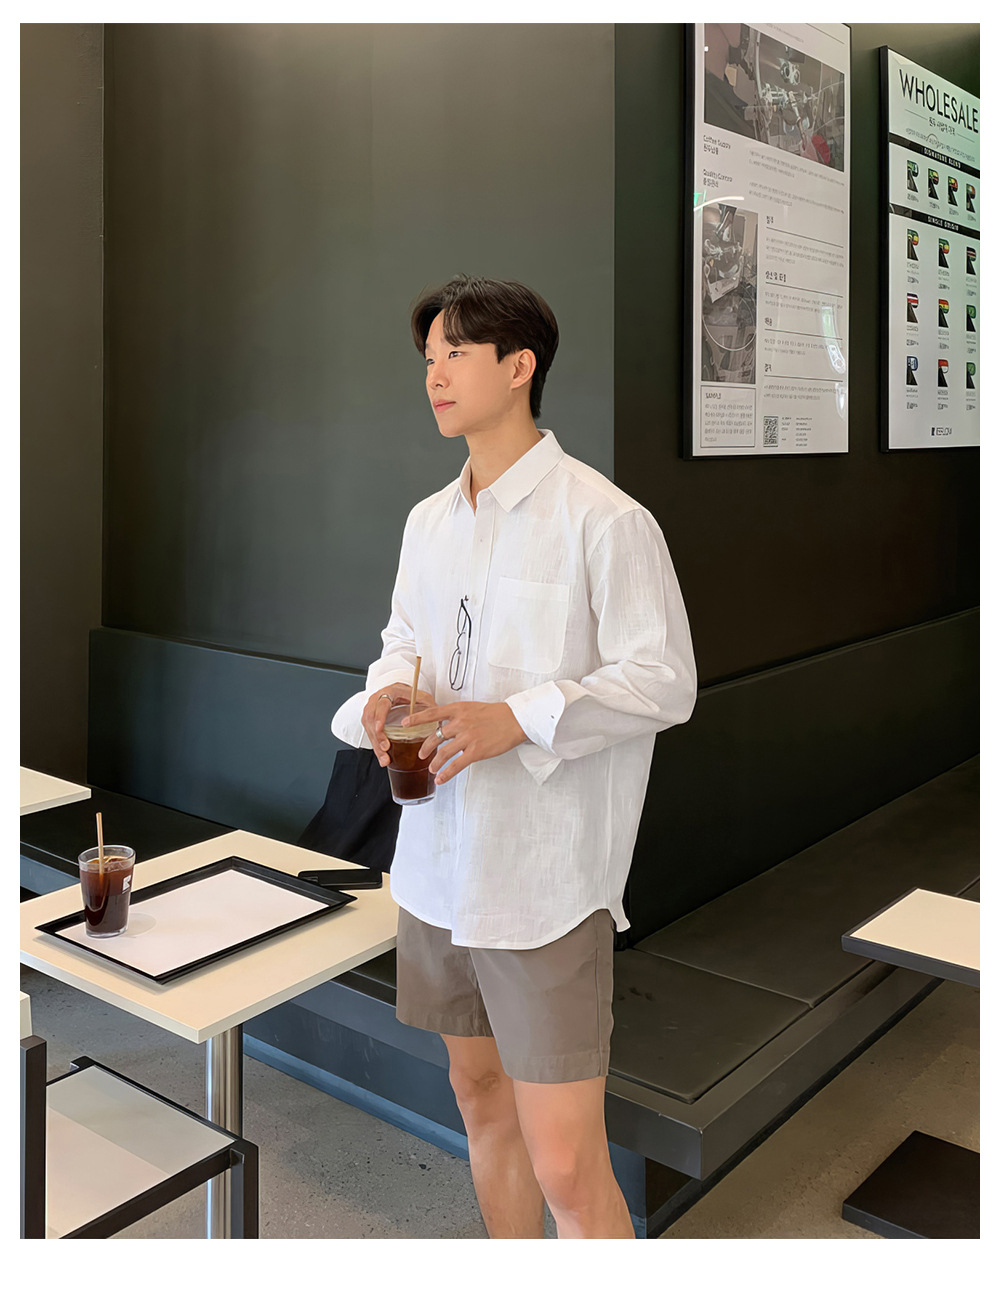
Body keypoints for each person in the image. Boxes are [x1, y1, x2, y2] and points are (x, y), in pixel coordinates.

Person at [332, 274, 697, 1239]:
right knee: (479, 1097)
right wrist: (388, 693)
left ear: (520, 365)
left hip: (542, 884)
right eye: (429, 359)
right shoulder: (427, 521)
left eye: (456, 353)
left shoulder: (604, 519)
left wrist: (519, 718)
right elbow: (402, 638)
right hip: (436, 868)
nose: (435, 375)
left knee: (569, 1162)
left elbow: (665, 680)